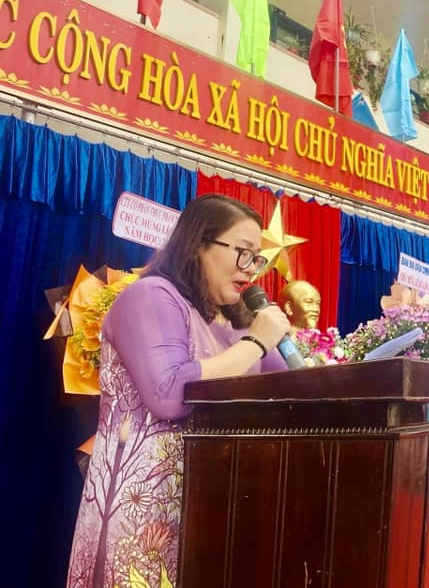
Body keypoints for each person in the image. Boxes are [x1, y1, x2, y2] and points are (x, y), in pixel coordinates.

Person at [66, 194, 292, 588]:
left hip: (217, 505)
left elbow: (291, 392)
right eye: (243, 253)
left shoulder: (238, 323)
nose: (251, 268)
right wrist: (256, 343)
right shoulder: (151, 296)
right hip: (147, 502)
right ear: (199, 244)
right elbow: (169, 394)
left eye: (257, 259)